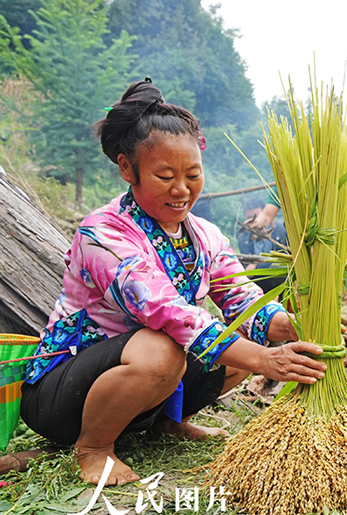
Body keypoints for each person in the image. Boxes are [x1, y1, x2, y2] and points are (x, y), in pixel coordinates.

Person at [19, 80, 328, 486]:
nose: (182, 190)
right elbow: (168, 312)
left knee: (232, 341)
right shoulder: (104, 234)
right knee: (167, 346)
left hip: (145, 380)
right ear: (127, 168)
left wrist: (284, 325)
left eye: (192, 174)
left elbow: (239, 294)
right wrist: (262, 360)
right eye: (164, 175)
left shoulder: (205, 235)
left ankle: (166, 421)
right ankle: (93, 448)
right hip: (64, 394)